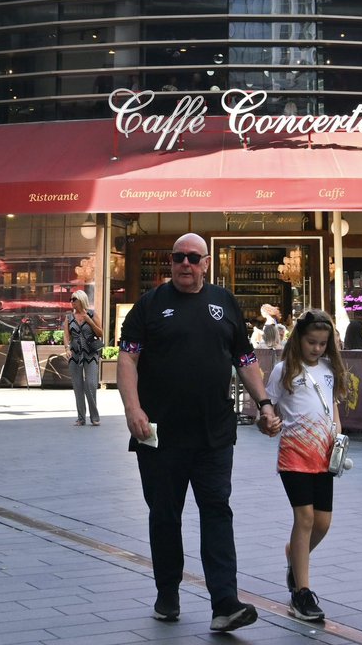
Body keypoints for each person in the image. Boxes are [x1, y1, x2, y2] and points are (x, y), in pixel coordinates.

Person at [117, 233, 279, 633]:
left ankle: (225, 603)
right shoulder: (150, 306)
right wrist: (133, 409)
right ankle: (167, 591)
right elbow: (127, 358)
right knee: (165, 515)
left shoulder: (224, 303)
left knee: (217, 512)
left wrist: (264, 404)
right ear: (170, 262)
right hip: (160, 434)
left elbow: (245, 359)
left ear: (207, 263)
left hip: (214, 434)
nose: (185, 264)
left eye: (193, 258)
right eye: (178, 257)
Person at [265, 309, 345, 625]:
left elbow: (333, 406)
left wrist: (338, 434)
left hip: (324, 456)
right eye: (312, 342)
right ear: (299, 339)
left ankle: (293, 557)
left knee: (323, 523)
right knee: (306, 517)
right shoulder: (284, 371)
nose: (316, 349)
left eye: (322, 344)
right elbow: (267, 405)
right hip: (295, 454)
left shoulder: (329, 370)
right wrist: (267, 421)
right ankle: (303, 591)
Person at [64, 289, 104, 426]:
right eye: (71, 300)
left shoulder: (92, 314)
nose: (71, 302)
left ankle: (94, 416)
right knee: (78, 385)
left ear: (81, 300)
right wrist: (66, 348)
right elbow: (66, 335)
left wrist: (89, 321)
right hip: (75, 354)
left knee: (91, 384)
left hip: (90, 353)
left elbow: (100, 333)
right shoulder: (69, 318)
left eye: (73, 299)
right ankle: (81, 418)